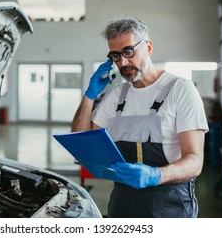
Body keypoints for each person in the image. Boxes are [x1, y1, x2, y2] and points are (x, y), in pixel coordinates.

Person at [71, 16, 209, 218]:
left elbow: (195, 161)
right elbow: (80, 139)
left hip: (169, 204)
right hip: (123, 202)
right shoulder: (117, 96)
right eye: (116, 56)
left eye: (128, 51)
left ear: (149, 47)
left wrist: (156, 175)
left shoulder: (180, 90)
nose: (123, 62)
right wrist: (89, 96)